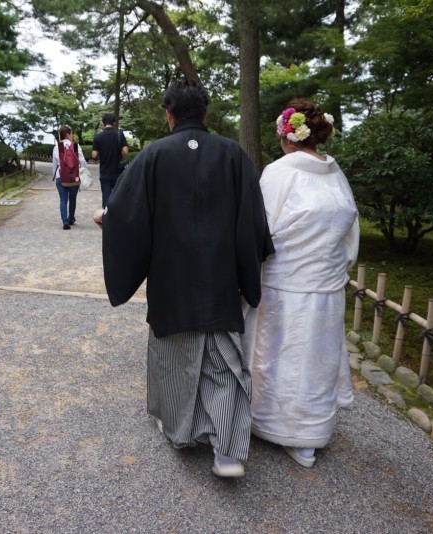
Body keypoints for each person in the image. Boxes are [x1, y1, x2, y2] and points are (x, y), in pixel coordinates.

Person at [95, 79, 274, 478]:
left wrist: (106, 221)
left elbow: (126, 214)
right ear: (205, 114)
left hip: (171, 278)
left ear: (169, 114)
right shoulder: (233, 154)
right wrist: (249, 273)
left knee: (175, 357)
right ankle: (228, 453)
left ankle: (181, 433)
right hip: (221, 277)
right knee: (225, 363)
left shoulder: (153, 155)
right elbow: (252, 221)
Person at [241, 99, 359, 468]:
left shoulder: (280, 172)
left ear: (285, 135)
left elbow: (259, 228)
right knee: (315, 361)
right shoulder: (335, 174)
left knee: (277, 357)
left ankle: (267, 424)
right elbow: (349, 236)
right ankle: (309, 434)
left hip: (284, 285)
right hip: (325, 286)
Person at [52, 125, 87, 230]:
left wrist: (56, 176)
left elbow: (54, 165)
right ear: (67, 134)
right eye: (71, 133)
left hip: (60, 177)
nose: (72, 135)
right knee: (72, 199)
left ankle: (65, 222)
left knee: (63, 199)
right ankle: (71, 218)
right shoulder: (76, 146)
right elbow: (83, 162)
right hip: (74, 177)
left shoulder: (57, 147)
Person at [91, 113, 129, 208]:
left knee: (106, 197)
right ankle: (118, 219)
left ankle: (106, 220)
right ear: (114, 123)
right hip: (118, 171)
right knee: (119, 196)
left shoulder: (98, 137)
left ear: (103, 123)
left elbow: (94, 155)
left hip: (104, 172)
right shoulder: (119, 134)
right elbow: (125, 152)